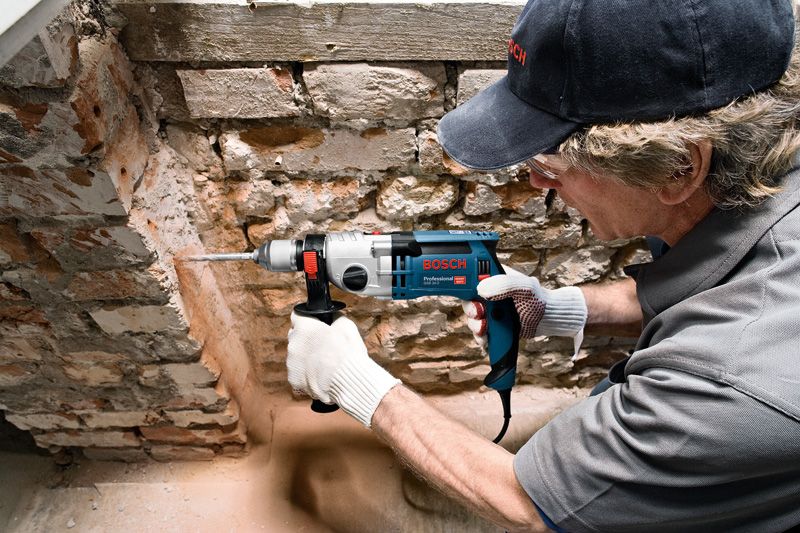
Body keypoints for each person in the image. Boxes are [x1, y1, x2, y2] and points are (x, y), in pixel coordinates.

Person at [286, 0, 800, 530]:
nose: (536, 183)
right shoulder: (755, 173)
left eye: (552, 163)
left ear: (677, 168)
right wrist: (561, 308)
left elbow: (527, 505)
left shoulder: (724, 386)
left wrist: (354, 382)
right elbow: (700, 295)